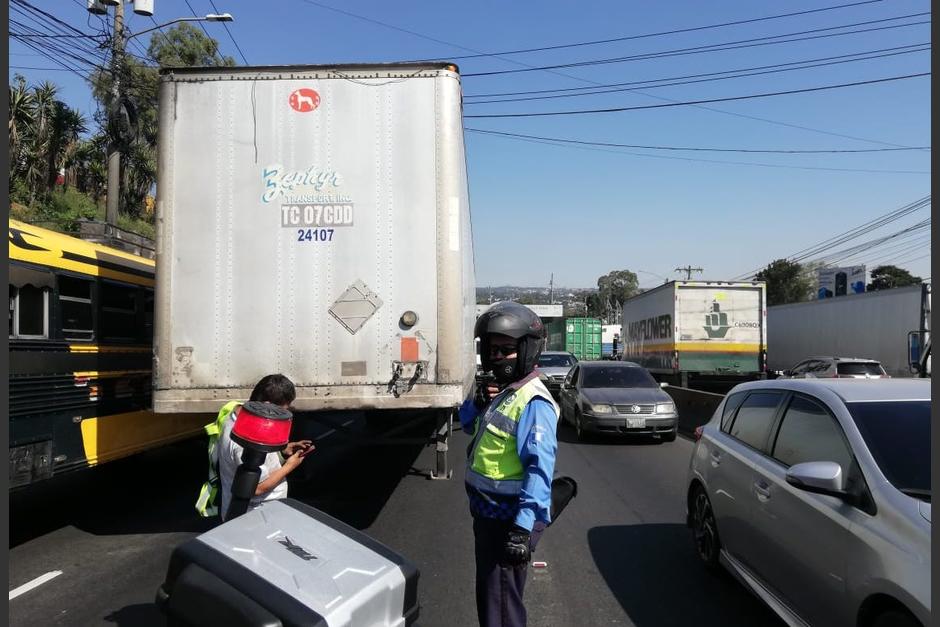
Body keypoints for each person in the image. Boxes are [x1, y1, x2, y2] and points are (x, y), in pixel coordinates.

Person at [459, 301, 560, 627]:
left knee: (501, 607)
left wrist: (522, 529)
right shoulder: (503, 393)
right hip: (487, 514)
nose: (498, 358)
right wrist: (476, 403)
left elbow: (539, 469)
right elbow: (466, 426)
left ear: (528, 350)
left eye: (507, 350)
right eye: (493, 350)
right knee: (491, 600)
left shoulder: (533, 401)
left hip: (508, 520)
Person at [217, 374, 313, 521]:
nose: (283, 415)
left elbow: (257, 459)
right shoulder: (245, 440)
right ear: (268, 405)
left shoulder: (239, 417)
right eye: (282, 410)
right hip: (254, 518)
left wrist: (283, 451)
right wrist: (290, 465)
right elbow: (256, 488)